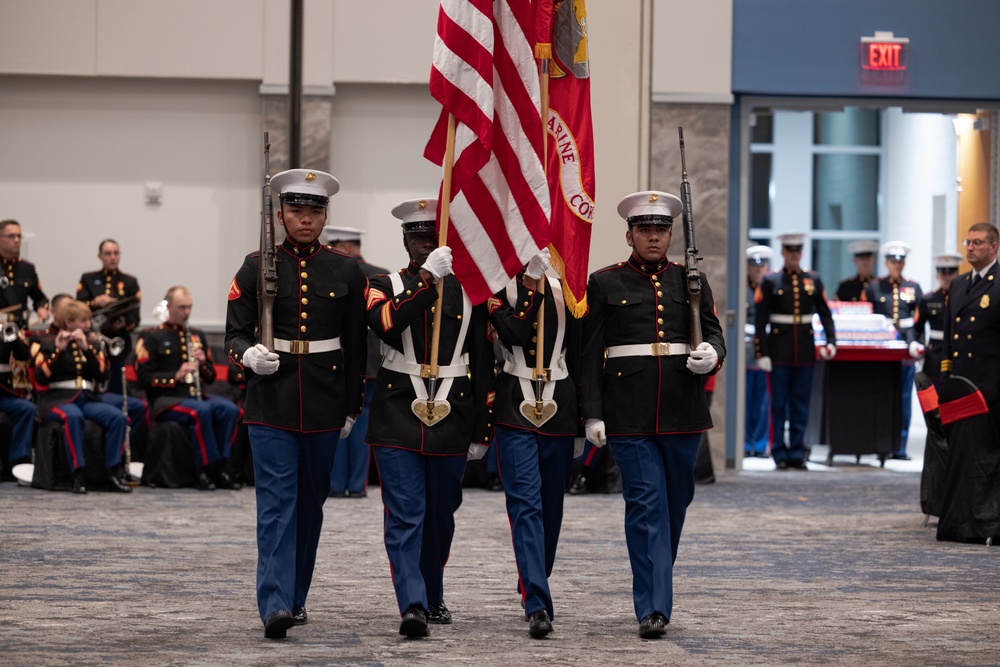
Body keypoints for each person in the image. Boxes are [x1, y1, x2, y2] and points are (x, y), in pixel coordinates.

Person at [225, 169, 367, 640]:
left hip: (324, 402)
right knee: (276, 506)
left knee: (309, 506)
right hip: (271, 401)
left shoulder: (346, 269)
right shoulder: (253, 265)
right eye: (297, 211)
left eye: (315, 211)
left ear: (325, 216)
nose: (306, 220)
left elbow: (354, 344)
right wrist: (247, 355)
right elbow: (234, 333)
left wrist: (351, 407)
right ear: (281, 214)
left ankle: (296, 596)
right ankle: (274, 604)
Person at [581, 191, 725, 638]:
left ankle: (655, 579)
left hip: (682, 412)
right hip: (628, 415)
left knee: (675, 506)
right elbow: (588, 356)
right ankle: (654, 606)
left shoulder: (692, 282)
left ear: (670, 235)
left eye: (661, 230)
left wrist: (712, 355)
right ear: (629, 235)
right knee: (646, 506)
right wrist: (592, 414)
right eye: (644, 230)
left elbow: (716, 335)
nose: (653, 237)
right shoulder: (605, 283)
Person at [364, 198, 494, 638]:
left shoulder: (472, 293)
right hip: (397, 411)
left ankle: (432, 591)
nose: (425, 244)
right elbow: (385, 324)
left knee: (441, 514)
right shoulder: (384, 283)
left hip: (453, 413)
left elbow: (482, 360)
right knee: (404, 514)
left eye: (433, 238)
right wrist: (426, 279)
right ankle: (412, 604)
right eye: (418, 237)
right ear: (405, 241)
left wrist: (482, 428)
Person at [488, 247, 581, 638]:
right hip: (515, 402)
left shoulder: (569, 288)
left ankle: (532, 575)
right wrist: (529, 282)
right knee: (525, 503)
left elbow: (581, 353)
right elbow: (515, 331)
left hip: (560, 404)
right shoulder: (496, 289)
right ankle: (537, 602)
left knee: (551, 506)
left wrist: (587, 417)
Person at [135, 286, 241, 490]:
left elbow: (209, 378)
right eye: (182, 307)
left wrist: (203, 364)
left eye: (189, 307)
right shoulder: (151, 337)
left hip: (194, 395)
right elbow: (143, 378)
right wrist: (175, 376)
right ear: (169, 307)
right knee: (201, 412)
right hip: (166, 399)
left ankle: (221, 467)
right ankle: (203, 469)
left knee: (231, 410)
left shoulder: (197, 335)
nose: (187, 312)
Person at [754, 232, 836, 470]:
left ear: (801, 253)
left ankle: (798, 452)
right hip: (778, 352)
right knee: (779, 404)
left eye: (797, 251)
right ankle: (779, 452)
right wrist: (762, 352)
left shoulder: (813, 280)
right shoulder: (770, 281)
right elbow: (761, 320)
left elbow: (824, 312)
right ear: (783, 253)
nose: (794, 255)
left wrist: (831, 339)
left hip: (805, 351)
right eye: (790, 251)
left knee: (801, 405)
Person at [31, 300, 131, 494]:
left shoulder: (92, 343)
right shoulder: (47, 341)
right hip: (58, 399)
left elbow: (103, 375)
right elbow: (41, 377)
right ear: (69, 323)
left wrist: (88, 350)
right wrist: (59, 350)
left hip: (87, 397)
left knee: (118, 417)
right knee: (72, 416)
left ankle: (113, 472)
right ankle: (77, 473)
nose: (88, 324)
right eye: (83, 320)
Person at [322, 225, 387, 498]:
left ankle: (337, 484)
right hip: (373, 359)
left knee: (337, 416)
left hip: (341, 354)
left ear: (347, 247)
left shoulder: (334, 271)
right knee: (364, 419)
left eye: (335, 245)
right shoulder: (381, 274)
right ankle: (357, 484)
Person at [864, 241, 924, 460]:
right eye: (892, 261)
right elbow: (867, 316)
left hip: (906, 347)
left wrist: (918, 344)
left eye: (900, 261)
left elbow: (918, 321)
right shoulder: (874, 287)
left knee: (904, 398)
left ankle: (900, 446)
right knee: (881, 396)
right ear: (886, 263)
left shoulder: (914, 287)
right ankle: (881, 445)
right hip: (882, 346)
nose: (896, 265)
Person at [942, 222, 1000, 432]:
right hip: (959, 382)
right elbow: (950, 335)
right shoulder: (958, 284)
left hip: (989, 386)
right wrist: (946, 376)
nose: (970, 248)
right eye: (968, 242)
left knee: (987, 453)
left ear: (993, 247)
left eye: (977, 243)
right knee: (959, 449)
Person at [77, 239, 141, 395]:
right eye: (108, 253)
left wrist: (123, 324)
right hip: (92, 339)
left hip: (119, 341)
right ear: (100, 256)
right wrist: (95, 302)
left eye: (116, 253)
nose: (112, 257)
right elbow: (77, 308)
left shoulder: (130, 281)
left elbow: (135, 317)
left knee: (117, 382)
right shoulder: (88, 278)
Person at [915, 252, 963, 388]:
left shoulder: (965, 297)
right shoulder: (928, 299)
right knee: (934, 398)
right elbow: (918, 327)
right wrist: (918, 344)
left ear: (957, 273)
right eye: (943, 273)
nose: (947, 277)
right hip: (935, 354)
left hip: (958, 353)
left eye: (951, 273)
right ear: (937, 275)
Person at [744, 244, 772, 458]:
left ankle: (760, 444)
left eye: (763, 266)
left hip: (765, 349)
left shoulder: (771, 288)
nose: (759, 270)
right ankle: (744, 443)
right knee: (745, 399)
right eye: (754, 266)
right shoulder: (742, 289)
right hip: (745, 348)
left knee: (762, 402)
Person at [0, 318, 37, 477]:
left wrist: (13, 336)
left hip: (4, 392)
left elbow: (24, 356)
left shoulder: (5, 332)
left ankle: (19, 460)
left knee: (28, 408)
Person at [0, 219, 49, 328]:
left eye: (19, 236)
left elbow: (39, 297)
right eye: (11, 236)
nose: (17, 240)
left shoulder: (27, 268)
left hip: (19, 326)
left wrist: (41, 308)